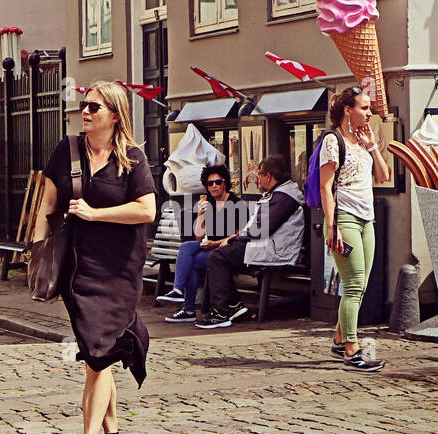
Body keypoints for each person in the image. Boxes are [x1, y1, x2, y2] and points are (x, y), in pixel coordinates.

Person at [32, 80, 157, 434]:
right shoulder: (67, 150)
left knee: (98, 357)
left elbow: (146, 210)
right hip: (76, 270)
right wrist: (36, 252)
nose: (85, 112)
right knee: (97, 356)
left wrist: (95, 213)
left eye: (94, 107)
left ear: (115, 115)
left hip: (119, 271)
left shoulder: (133, 160)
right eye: (83, 106)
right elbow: (47, 203)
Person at [319, 86, 391, 371]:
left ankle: (339, 339)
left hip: (366, 219)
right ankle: (352, 350)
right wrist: (331, 225)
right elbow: (325, 186)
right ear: (347, 110)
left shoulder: (361, 142)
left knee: (359, 286)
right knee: (353, 285)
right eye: (364, 108)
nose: (369, 113)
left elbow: (383, 176)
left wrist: (372, 145)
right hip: (345, 218)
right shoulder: (332, 141)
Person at [196, 155, 306, 329]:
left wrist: (233, 239)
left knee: (217, 257)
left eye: (259, 174)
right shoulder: (280, 193)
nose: (258, 179)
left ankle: (221, 313)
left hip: (276, 250)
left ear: (268, 176)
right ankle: (234, 307)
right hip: (268, 245)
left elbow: (261, 229)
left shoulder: (284, 197)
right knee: (221, 256)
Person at [158, 164, 242, 322]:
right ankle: (178, 289)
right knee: (186, 246)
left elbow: (238, 236)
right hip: (209, 245)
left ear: (225, 183)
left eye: (218, 182)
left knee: (191, 263)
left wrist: (214, 243)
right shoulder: (209, 202)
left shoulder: (236, 204)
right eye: (210, 183)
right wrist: (201, 214)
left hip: (226, 249)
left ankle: (188, 309)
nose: (214, 186)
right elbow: (198, 236)